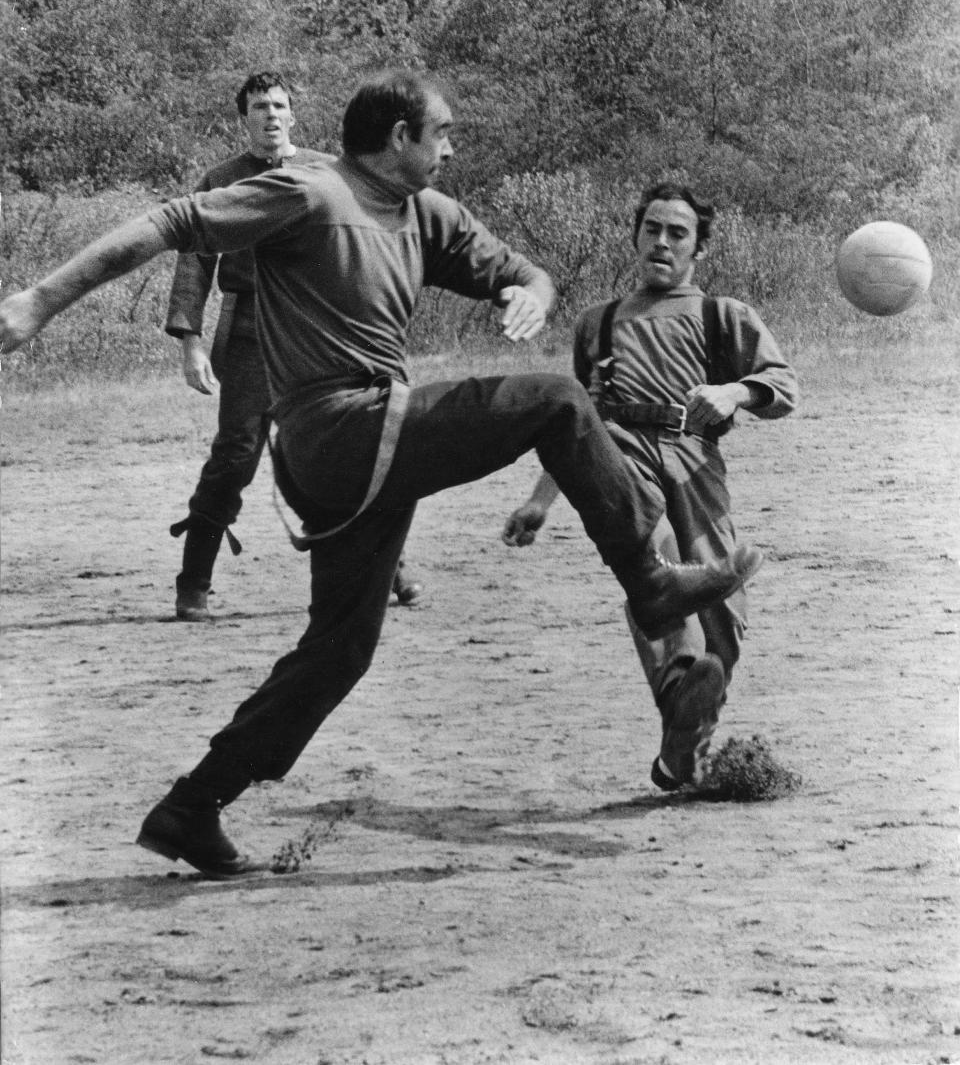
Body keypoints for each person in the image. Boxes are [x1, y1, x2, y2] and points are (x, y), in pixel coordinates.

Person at [0, 73, 764, 877]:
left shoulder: (427, 213)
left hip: (367, 448)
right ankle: (649, 583)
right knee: (559, 401)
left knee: (340, 649)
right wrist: (40, 300)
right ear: (399, 136)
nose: (451, 147)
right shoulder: (311, 190)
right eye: (441, 132)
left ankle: (193, 805)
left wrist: (530, 295)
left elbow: (527, 272)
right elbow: (171, 223)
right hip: (339, 429)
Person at [503, 182, 797, 791]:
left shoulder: (724, 315)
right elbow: (577, 419)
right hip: (622, 456)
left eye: (677, 233)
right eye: (652, 229)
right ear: (636, 236)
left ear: (699, 248)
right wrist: (540, 499)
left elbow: (782, 386)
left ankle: (682, 749)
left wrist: (732, 391)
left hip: (694, 458)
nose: (661, 242)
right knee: (655, 566)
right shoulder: (598, 323)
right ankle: (677, 687)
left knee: (722, 612)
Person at [165, 71, 424, 620]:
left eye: (280, 105)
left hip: (320, 327)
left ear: (293, 114)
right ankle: (194, 582)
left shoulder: (328, 171)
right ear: (245, 117)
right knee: (236, 456)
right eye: (260, 106)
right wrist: (190, 340)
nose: (271, 115)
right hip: (251, 331)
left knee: (347, 444)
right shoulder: (222, 179)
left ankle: (389, 569)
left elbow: (368, 239)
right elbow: (194, 258)